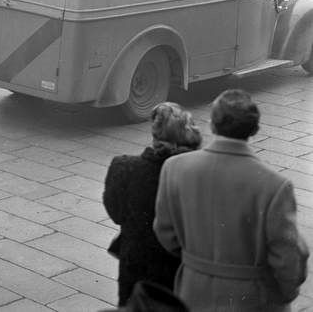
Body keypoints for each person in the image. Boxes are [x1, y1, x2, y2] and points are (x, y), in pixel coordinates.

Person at [154, 90, 309, 311]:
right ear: (254, 129)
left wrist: (199, 261)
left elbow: (165, 233)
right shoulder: (275, 185)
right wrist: (283, 295)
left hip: (193, 291)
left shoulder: (174, 168)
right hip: (252, 299)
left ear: (212, 124)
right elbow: (289, 257)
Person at [103, 103, 202, 306]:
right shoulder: (196, 175)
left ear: (154, 133)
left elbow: (115, 213)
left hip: (137, 264)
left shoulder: (124, 168)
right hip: (181, 268)